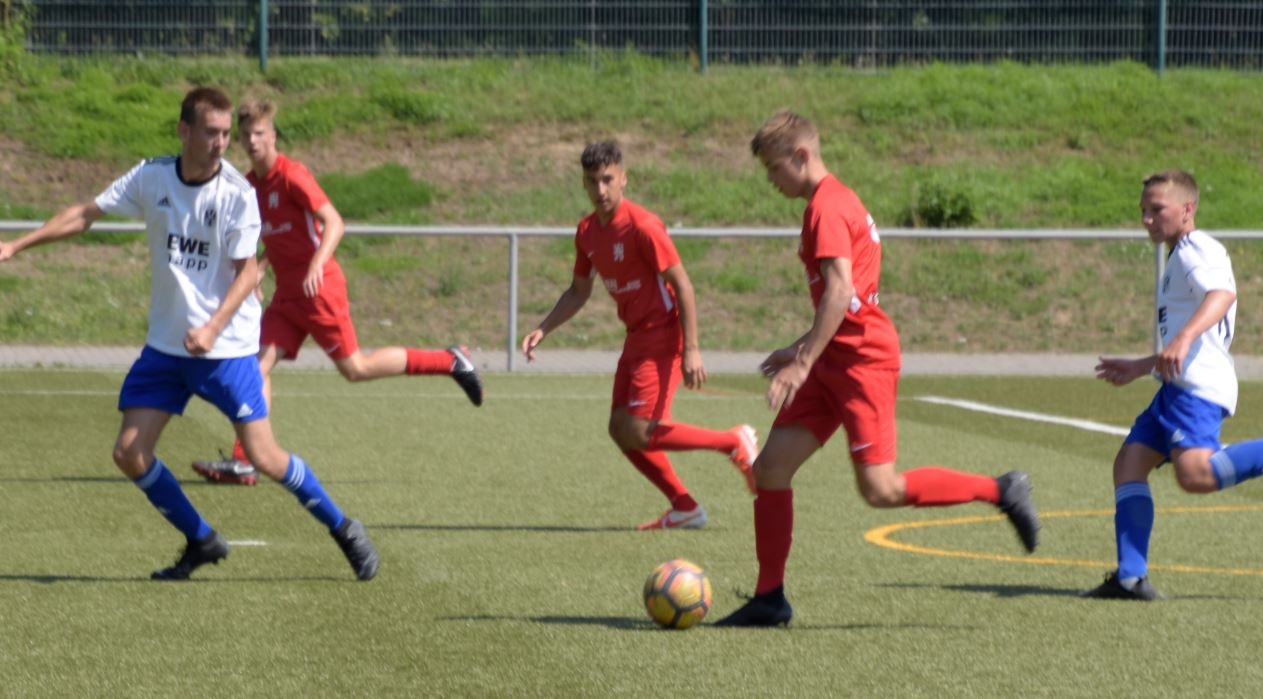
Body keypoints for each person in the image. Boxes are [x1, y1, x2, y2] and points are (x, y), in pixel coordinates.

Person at [0, 87, 379, 581]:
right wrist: (17, 245)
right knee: (129, 453)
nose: (221, 143)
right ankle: (202, 539)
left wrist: (212, 327)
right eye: (211, 132)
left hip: (226, 350)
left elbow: (248, 273)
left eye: (226, 133)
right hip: (168, 348)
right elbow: (85, 214)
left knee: (264, 456)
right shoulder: (151, 176)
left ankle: (344, 528)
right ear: (183, 131)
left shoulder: (236, 192)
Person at [714, 111, 1040, 627]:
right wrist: (801, 349)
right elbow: (849, 297)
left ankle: (1001, 490)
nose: (771, 180)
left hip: (862, 360)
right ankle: (769, 597)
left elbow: (841, 291)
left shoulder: (826, 208)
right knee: (770, 468)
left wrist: (801, 362)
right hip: (831, 357)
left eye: (774, 168)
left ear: (801, 156)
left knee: (880, 489)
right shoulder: (832, 201)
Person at [1083, 169, 1263, 601]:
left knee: (1197, 475)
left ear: (1187, 209)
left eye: (1157, 209)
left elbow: (1221, 295)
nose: (1147, 219)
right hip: (1175, 387)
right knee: (1129, 464)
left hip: (1196, 389)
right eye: (1143, 210)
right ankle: (1130, 578)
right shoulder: (1179, 254)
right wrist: (1143, 365)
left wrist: (1182, 338)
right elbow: (1188, 336)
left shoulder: (1196, 249)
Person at [190, 98, 483, 486]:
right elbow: (279, 239)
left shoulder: (292, 175)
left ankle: (449, 361)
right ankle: (245, 460)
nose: (253, 141)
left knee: (356, 369)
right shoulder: (251, 186)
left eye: (259, 133)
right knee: (254, 368)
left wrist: (316, 263)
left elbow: (334, 222)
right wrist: (258, 271)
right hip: (288, 297)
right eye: (246, 135)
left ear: (273, 136)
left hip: (319, 291)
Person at [521, 141, 759, 530]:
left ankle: (732, 442)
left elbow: (683, 285)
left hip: (664, 334)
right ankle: (685, 507)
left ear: (623, 179)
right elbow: (579, 291)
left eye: (607, 179)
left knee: (641, 428)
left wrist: (692, 349)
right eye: (592, 181)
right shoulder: (586, 232)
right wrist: (543, 327)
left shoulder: (644, 226)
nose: (600, 189)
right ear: (583, 184)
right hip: (636, 336)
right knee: (620, 429)